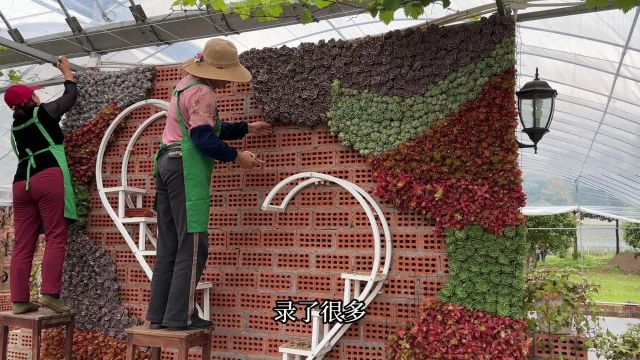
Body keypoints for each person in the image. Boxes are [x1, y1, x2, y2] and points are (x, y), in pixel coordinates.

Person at [146, 38, 272, 330]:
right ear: (215, 70)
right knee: (193, 245)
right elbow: (203, 139)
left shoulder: (184, 86)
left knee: (168, 245)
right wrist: (237, 157)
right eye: (227, 77)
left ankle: (159, 316)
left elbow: (207, 126)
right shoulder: (204, 93)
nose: (229, 84)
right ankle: (182, 317)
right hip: (184, 169)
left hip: (165, 163)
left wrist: (246, 128)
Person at [5, 56, 78, 314]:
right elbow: (69, 98)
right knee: (56, 235)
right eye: (35, 95)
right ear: (32, 99)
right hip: (47, 176)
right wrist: (67, 72)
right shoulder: (42, 113)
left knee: (23, 243)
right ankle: (49, 294)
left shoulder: (15, 127)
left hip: (21, 183)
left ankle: (20, 301)